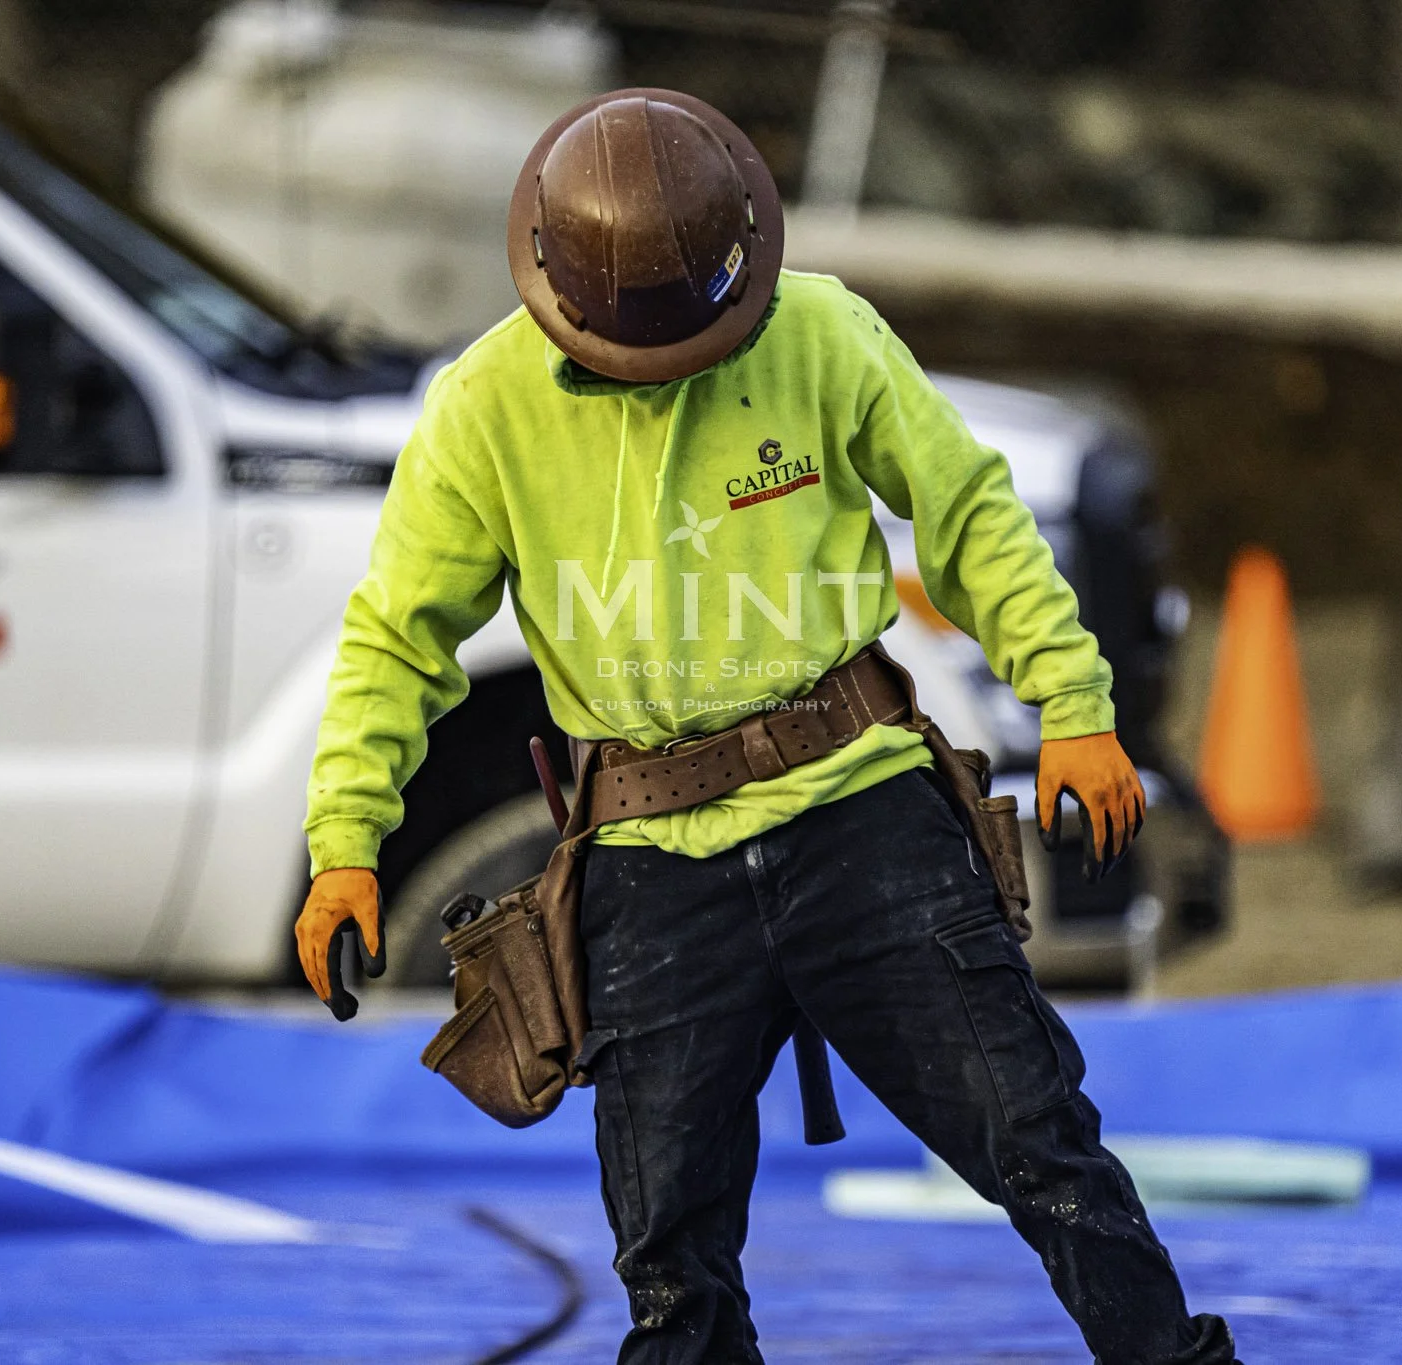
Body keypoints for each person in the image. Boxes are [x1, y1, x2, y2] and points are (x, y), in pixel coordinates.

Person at [294, 88, 1239, 1365]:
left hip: (861, 814)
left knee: (1040, 1145)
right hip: (646, 860)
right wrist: (344, 841)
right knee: (670, 1259)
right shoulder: (482, 411)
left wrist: (1072, 705)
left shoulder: (823, 333)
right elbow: (395, 638)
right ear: (561, 297)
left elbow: (966, 516)